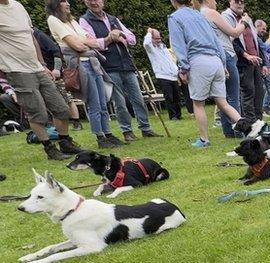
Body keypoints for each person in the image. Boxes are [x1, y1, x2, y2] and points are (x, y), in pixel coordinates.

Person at [0, 0, 83, 159]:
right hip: (17, 70)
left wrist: (43, 64)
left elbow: (31, 38)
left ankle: (65, 143)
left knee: (61, 108)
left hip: (37, 67)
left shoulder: (18, 6)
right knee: (37, 112)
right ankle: (49, 149)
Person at [79, 0, 159, 141]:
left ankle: (145, 128)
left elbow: (132, 39)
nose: (94, 2)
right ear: (86, 3)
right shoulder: (84, 21)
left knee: (138, 99)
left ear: (102, 1)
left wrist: (120, 34)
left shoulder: (113, 19)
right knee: (120, 102)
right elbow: (91, 43)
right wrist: (109, 38)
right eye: (90, 0)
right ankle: (127, 131)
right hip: (109, 67)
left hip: (127, 65)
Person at [46, 0, 122, 149]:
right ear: (55, 4)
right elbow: (77, 45)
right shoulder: (53, 20)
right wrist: (84, 42)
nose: (68, 4)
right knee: (93, 102)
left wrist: (84, 42)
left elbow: (91, 41)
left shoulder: (72, 21)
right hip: (80, 65)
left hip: (93, 62)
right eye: (63, 1)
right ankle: (100, 137)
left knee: (102, 101)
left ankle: (108, 133)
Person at [167, 0, 242, 147]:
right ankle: (250, 130)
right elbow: (216, 41)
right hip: (216, 60)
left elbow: (178, 45)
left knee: (198, 103)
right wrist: (223, 63)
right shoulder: (200, 15)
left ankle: (204, 139)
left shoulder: (174, 18)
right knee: (223, 103)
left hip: (198, 61)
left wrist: (183, 68)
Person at [197, 0, 245, 138]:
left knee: (222, 99)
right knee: (233, 97)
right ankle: (239, 131)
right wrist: (245, 22)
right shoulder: (211, 13)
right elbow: (234, 33)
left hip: (215, 56)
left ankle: (228, 131)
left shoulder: (199, 15)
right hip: (226, 56)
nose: (216, 2)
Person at [143, 27, 182, 119]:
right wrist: (149, 32)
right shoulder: (151, 49)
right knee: (169, 98)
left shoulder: (163, 47)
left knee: (177, 97)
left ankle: (178, 115)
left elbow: (170, 61)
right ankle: (173, 116)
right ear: (151, 38)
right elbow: (146, 43)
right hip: (162, 76)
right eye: (156, 39)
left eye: (159, 38)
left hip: (173, 76)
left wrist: (177, 71)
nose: (159, 40)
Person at [255, 20, 270, 114]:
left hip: (265, 67)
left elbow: (265, 52)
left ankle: (266, 106)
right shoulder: (256, 38)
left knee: (269, 88)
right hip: (261, 67)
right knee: (264, 88)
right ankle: (264, 107)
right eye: (263, 28)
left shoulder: (259, 39)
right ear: (257, 26)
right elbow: (267, 50)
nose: (265, 31)